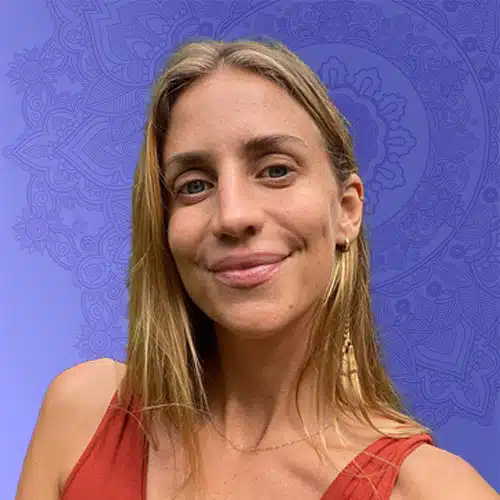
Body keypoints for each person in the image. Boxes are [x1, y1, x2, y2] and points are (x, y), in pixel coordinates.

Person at [16, 38, 498, 500]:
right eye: (194, 185)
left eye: (276, 170)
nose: (232, 215)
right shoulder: (83, 415)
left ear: (347, 210)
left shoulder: (431, 491)